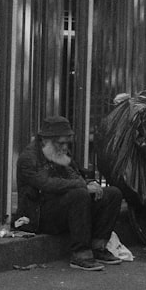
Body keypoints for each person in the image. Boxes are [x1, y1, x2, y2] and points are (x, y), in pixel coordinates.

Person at [15, 116, 124, 271]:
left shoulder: (57, 151)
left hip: (64, 208)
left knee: (112, 193)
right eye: (61, 143)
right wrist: (82, 186)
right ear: (45, 140)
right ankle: (81, 254)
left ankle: (98, 246)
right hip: (39, 215)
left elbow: (73, 173)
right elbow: (47, 184)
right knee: (79, 194)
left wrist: (88, 183)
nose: (65, 147)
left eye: (67, 142)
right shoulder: (28, 158)